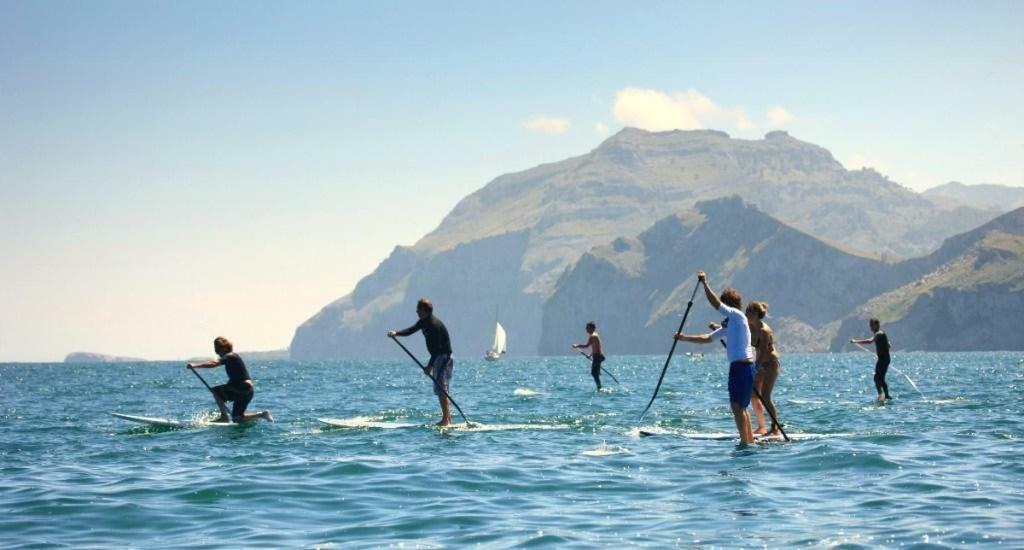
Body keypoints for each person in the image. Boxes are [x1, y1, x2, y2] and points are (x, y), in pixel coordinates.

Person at [674, 271, 756, 444]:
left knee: (736, 407)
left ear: (729, 304)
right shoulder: (732, 323)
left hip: (741, 367)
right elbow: (707, 338)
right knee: (741, 408)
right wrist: (683, 337)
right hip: (744, 367)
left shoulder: (737, 315)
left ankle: (744, 443)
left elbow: (715, 303)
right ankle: (749, 442)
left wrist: (704, 283)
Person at [388, 298, 455, 426]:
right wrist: (396, 333)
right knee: (441, 388)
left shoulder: (434, 325)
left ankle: (446, 420)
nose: (416, 311)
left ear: (425, 310)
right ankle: (448, 419)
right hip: (438, 357)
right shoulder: (423, 322)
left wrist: (429, 366)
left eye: (419, 309)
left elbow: (436, 350)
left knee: (441, 387)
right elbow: (411, 330)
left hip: (443, 357)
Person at [186, 337, 274, 423]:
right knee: (237, 418)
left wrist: (195, 365)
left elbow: (214, 363)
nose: (217, 353)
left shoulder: (230, 356)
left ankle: (224, 417)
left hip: (243, 387)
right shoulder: (233, 359)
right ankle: (262, 415)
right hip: (248, 391)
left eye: (217, 350)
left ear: (224, 348)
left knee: (216, 391)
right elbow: (239, 376)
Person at [747, 301, 781, 436]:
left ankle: (775, 428)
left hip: (770, 364)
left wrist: (754, 368)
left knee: (765, 396)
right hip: (760, 364)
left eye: (747, 312)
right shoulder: (750, 326)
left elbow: (762, 352)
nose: (745, 314)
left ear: (754, 314)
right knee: (753, 395)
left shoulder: (764, 331)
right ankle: (762, 426)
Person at [851, 318, 892, 401]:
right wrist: (886, 345)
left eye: (872, 325)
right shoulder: (879, 334)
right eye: (870, 325)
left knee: (879, 378)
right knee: (877, 378)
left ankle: (885, 395)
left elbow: (869, 341)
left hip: (884, 359)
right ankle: (882, 395)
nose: (870, 327)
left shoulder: (879, 333)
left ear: (877, 325)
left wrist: (855, 341)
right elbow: (888, 345)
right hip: (882, 359)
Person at [571, 321, 605, 390]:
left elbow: (586, 346)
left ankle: (599, 388)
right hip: (598, 356)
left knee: (594, 373)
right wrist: (590, 355)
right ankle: (599, 386)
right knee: (595, 373)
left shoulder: (593, 336)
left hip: (597, 357)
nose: (586, 329)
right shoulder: (595, 335)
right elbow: (596, 347)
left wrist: (577, 345)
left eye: (587, 328)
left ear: (592, 328)